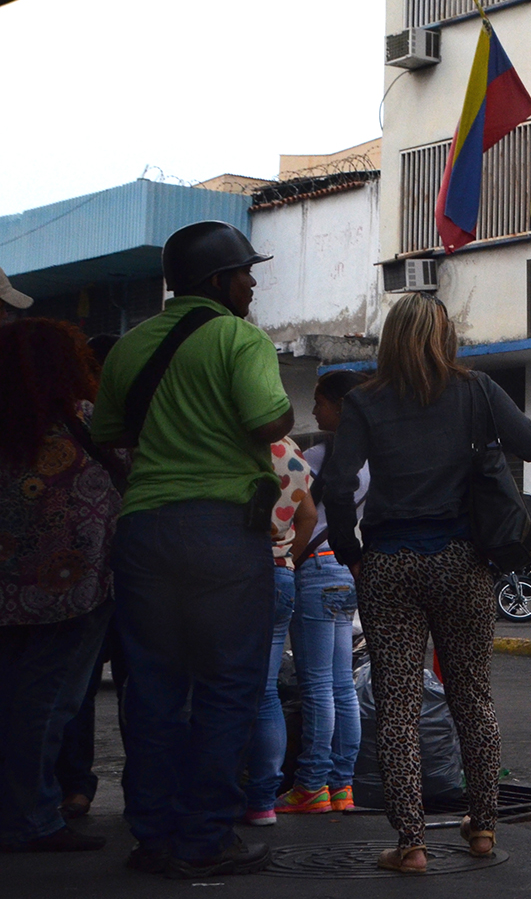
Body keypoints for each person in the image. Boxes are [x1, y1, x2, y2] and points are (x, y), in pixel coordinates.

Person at [91, 221, 294, 879]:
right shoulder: (240, 337)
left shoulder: (128, 346)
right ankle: (205, 836)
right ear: (217, 280)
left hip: (145, 530)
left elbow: (110, 433)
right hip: (222, 533)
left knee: (149, 686)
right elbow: (268, 421)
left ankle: (151, 835)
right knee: (229, 683)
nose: (253, 281)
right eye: (245, 272)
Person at [321, 293, 531, 874]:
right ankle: (484, 828)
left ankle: (412, 843)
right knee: (472, 693)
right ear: (446, 337)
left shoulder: (364, 402)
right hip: (461, 561)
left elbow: (339, 484)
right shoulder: (476, 390)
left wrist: (351, 552)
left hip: (390, 563)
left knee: (395, 704)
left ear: (391, 338)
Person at [0, 319, 122, 852]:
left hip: (6, 592)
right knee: (48, 705)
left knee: (13, 700)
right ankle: (31, 818)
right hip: (74, 592)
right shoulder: (87, 422)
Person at [274, 370, 369, 816]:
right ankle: (341, 785)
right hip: (348, 569)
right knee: (341, 687)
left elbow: (289, 507)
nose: (314, 411)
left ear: (340, 405)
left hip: (313, 567)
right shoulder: (374, 457)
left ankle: (311, 784)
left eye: (320, 402)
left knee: (316, 687)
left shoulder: (318, 454)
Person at [56, 333, 125, 822]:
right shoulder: (94, 418)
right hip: (121, 574)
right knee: (139, 688)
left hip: (82, 579)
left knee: (75, 691)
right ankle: (88, 787)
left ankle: (73, 788)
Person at [242, 437, 317, 826]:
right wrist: (288, 556)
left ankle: (216, 792)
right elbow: (308, 516)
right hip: (280, 573)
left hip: (236, 572)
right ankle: (263, 802)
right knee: (266, 690)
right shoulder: (290, 449)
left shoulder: (231, 443)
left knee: (220, 685)